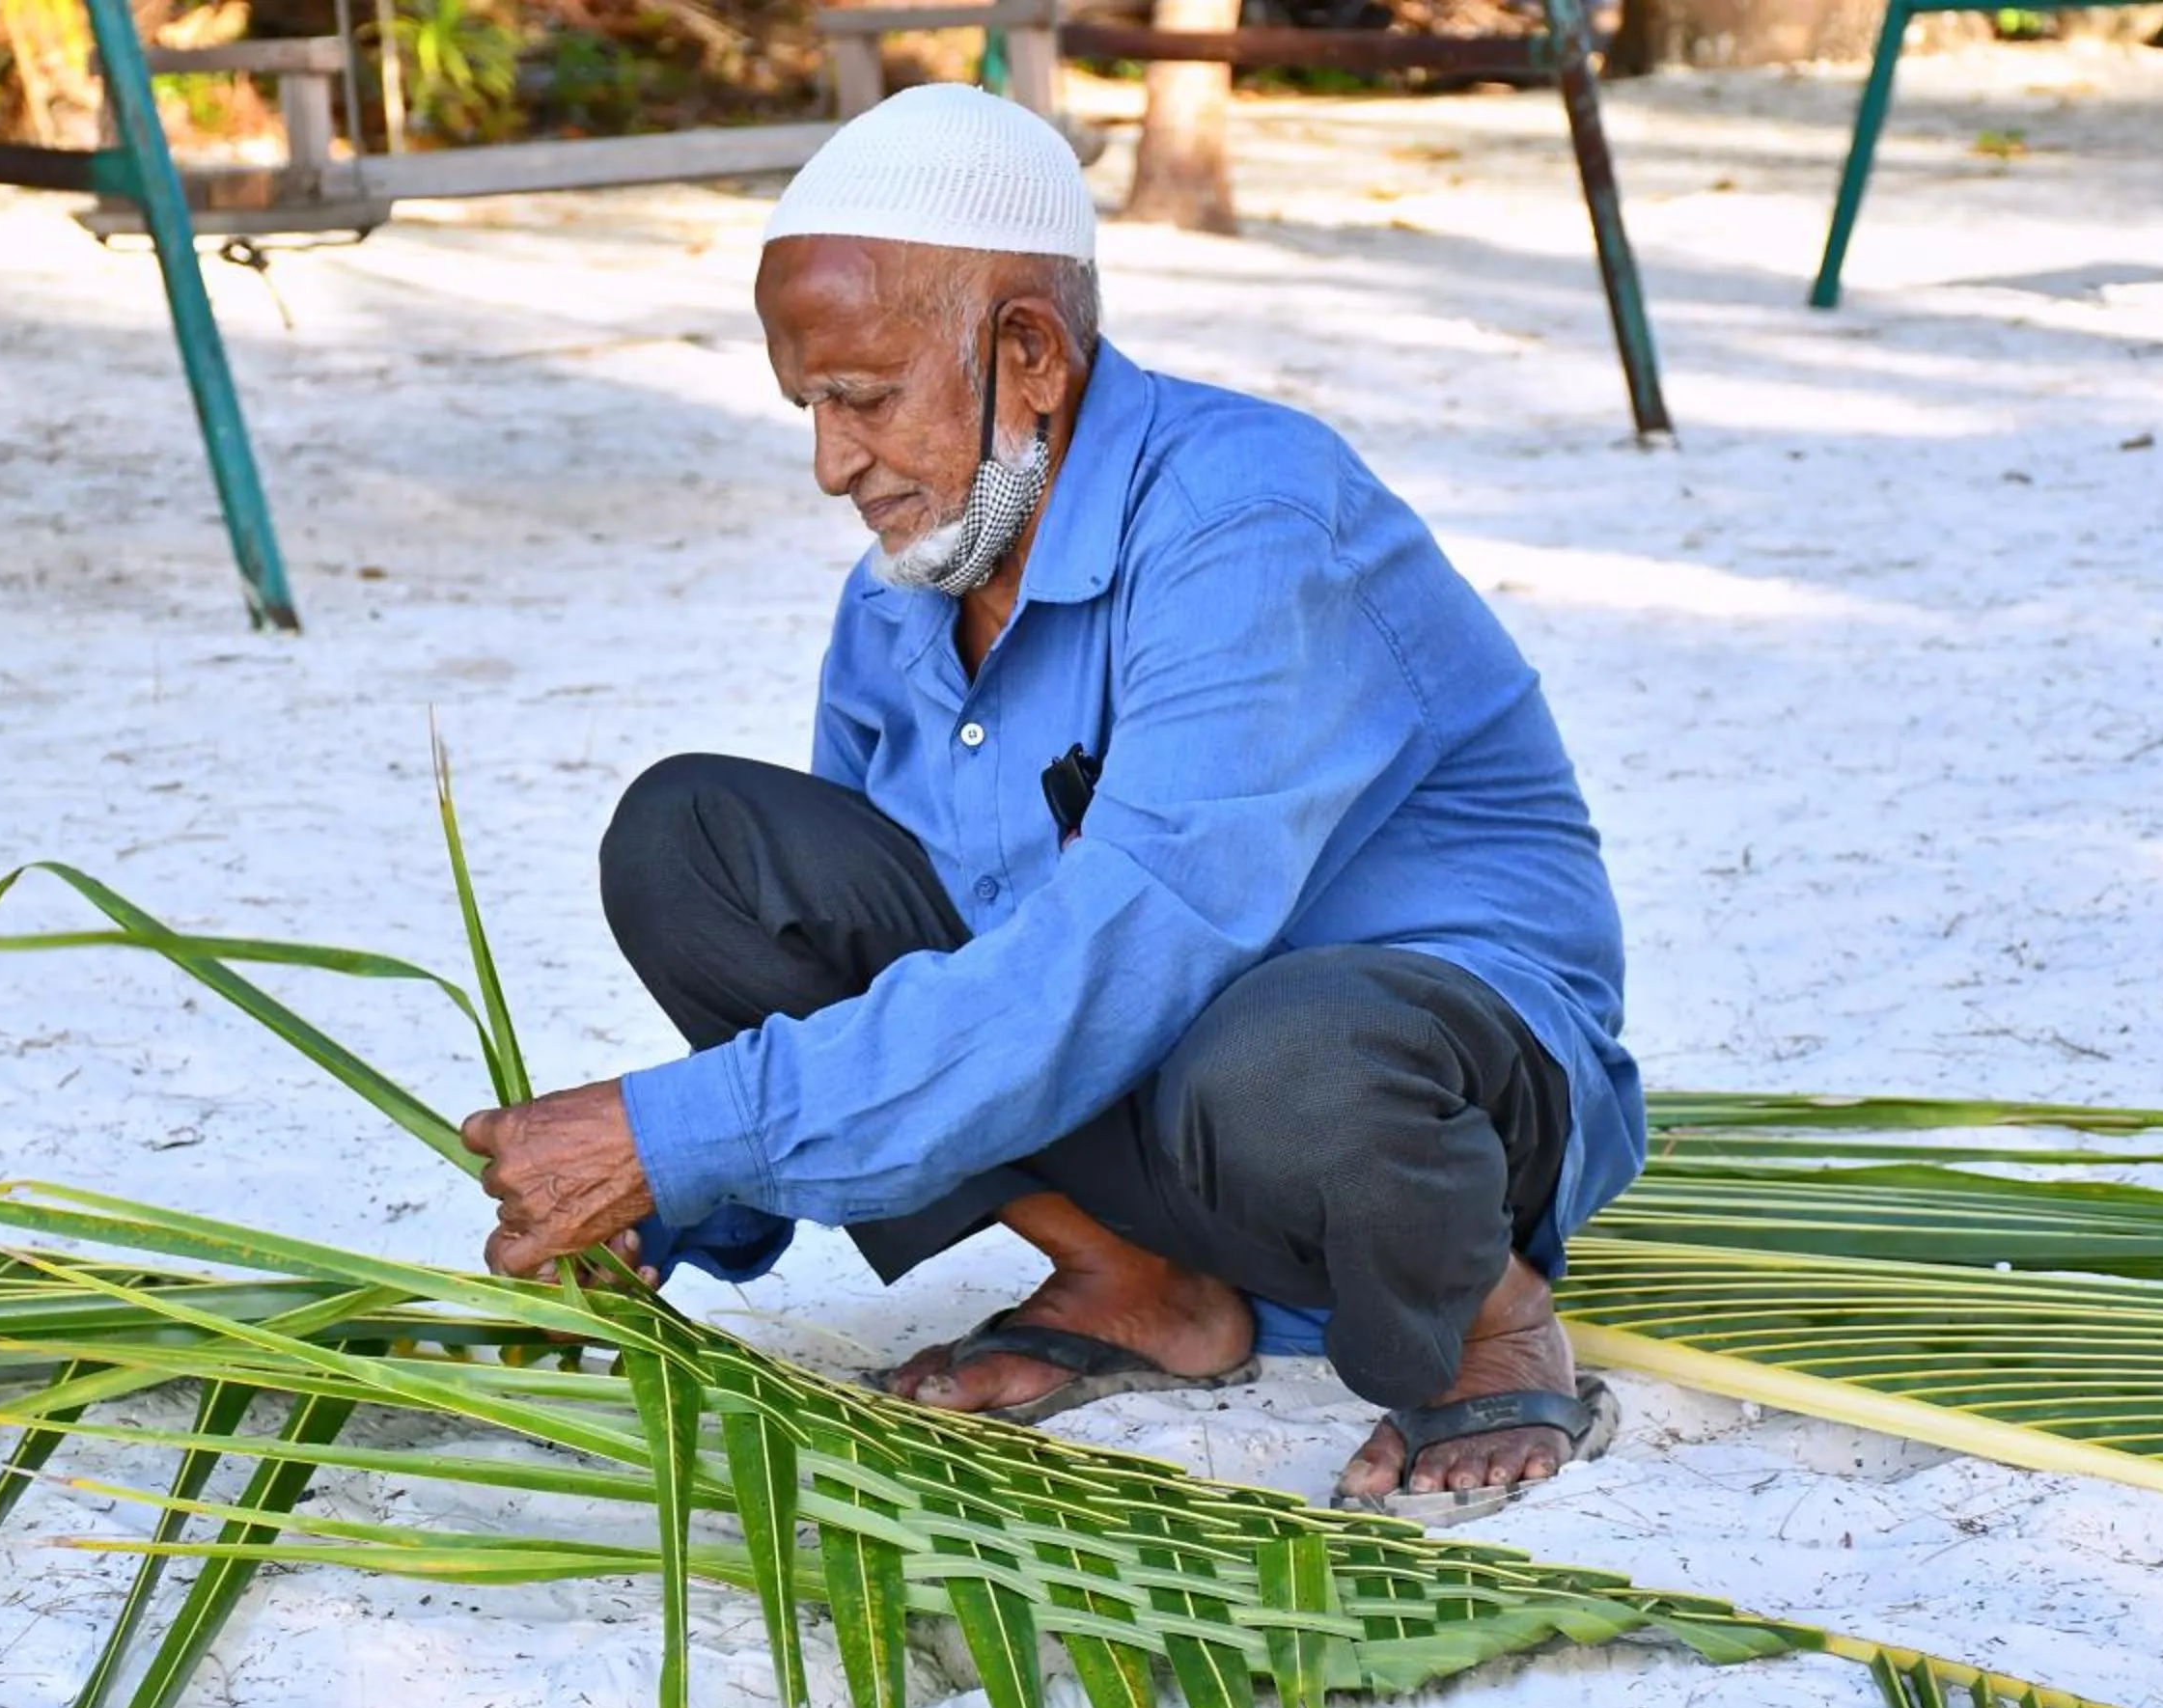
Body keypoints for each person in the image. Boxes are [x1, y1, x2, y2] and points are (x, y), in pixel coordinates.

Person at [459, 84, 1642, 1517]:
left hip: (1398, 1102)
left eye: (865, 399)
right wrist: (681, 1205)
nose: (834, 465)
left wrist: (677, 1130)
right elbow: (871, 978)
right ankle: (1132, 1280)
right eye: (811, 409)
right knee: (696, 842)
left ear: (1028, 354)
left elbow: (1137, 947)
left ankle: (1484, 1322)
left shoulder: (1246, 518)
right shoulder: (905, 592)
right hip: (1138, 1085)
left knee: (1287, 1046)